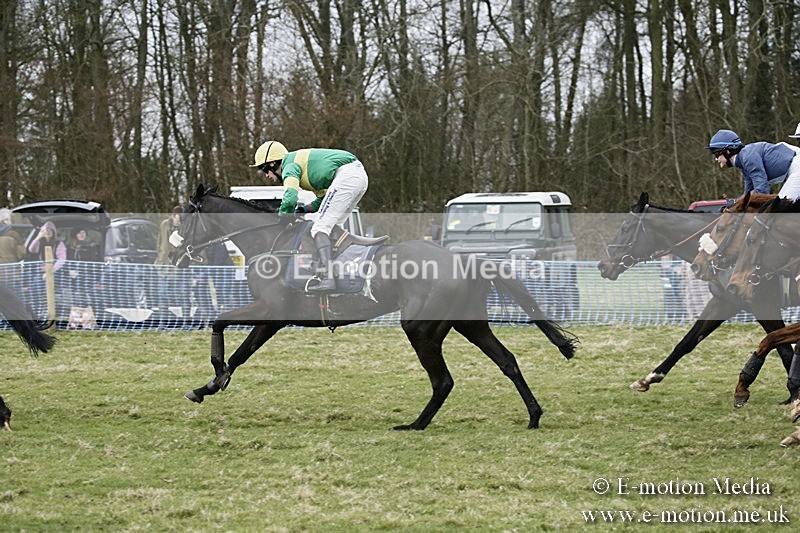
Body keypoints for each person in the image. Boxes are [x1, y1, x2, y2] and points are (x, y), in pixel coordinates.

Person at [250, 140, 369, 291]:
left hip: (348, 175)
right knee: (332, 229)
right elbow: (322, 199)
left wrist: (283, 217)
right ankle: (340, 271)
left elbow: (290, 196)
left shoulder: (289, 166)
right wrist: (303, 210)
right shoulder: (308, 171)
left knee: (319, 228)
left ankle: (328, 278)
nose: (266, 175)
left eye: (264, 169)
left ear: (273, 163)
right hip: (357, 176)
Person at [707, 129, 800, 200]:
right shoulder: (744, 160)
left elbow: (762, 191)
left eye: (716, 154)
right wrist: (735, 204)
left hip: (796, 167)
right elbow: (748, 193)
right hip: (794, 167)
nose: (716, 159)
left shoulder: (747, 157)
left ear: (727, 151)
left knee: (781, 208)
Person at [27, 220, 67, 315]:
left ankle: (47, 310)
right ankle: (36, 310)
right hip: (41, 272)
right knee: (34, 288)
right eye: (46, 230)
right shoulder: (40, 242)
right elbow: (32, 250)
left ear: (54, 232)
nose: (48, 232)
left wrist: (50, 271)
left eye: (50, 230)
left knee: (43, 286)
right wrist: (38, 237)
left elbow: (62, 260)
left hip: (55, 272)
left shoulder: (59, 244)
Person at [154, 206, 186, 324]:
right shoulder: (164, 225)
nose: (180, 220)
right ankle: (163, 322)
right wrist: (160, 258)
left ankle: (185, 321)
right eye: (179, 218)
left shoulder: (185, 226)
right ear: (173, 216)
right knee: (162, 295)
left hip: (179, 267)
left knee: (183, 294)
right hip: (164, 267)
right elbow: (159, 243)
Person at [66, 227, 101, 308]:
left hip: (87, 275)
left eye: (83, 233)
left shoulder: (92, 246)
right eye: (79, 233)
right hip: (73, 275)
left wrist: (80, 272)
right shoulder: (70, 247)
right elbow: (68, 261)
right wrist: (70, 271)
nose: (82, 235)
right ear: (75, 235)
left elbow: (93, 262)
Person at [0, 208, 25, 287]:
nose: (12, 222)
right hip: (11, 273)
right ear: (5, 221)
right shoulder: (13, 235)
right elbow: (22, 254)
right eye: (11, 220)